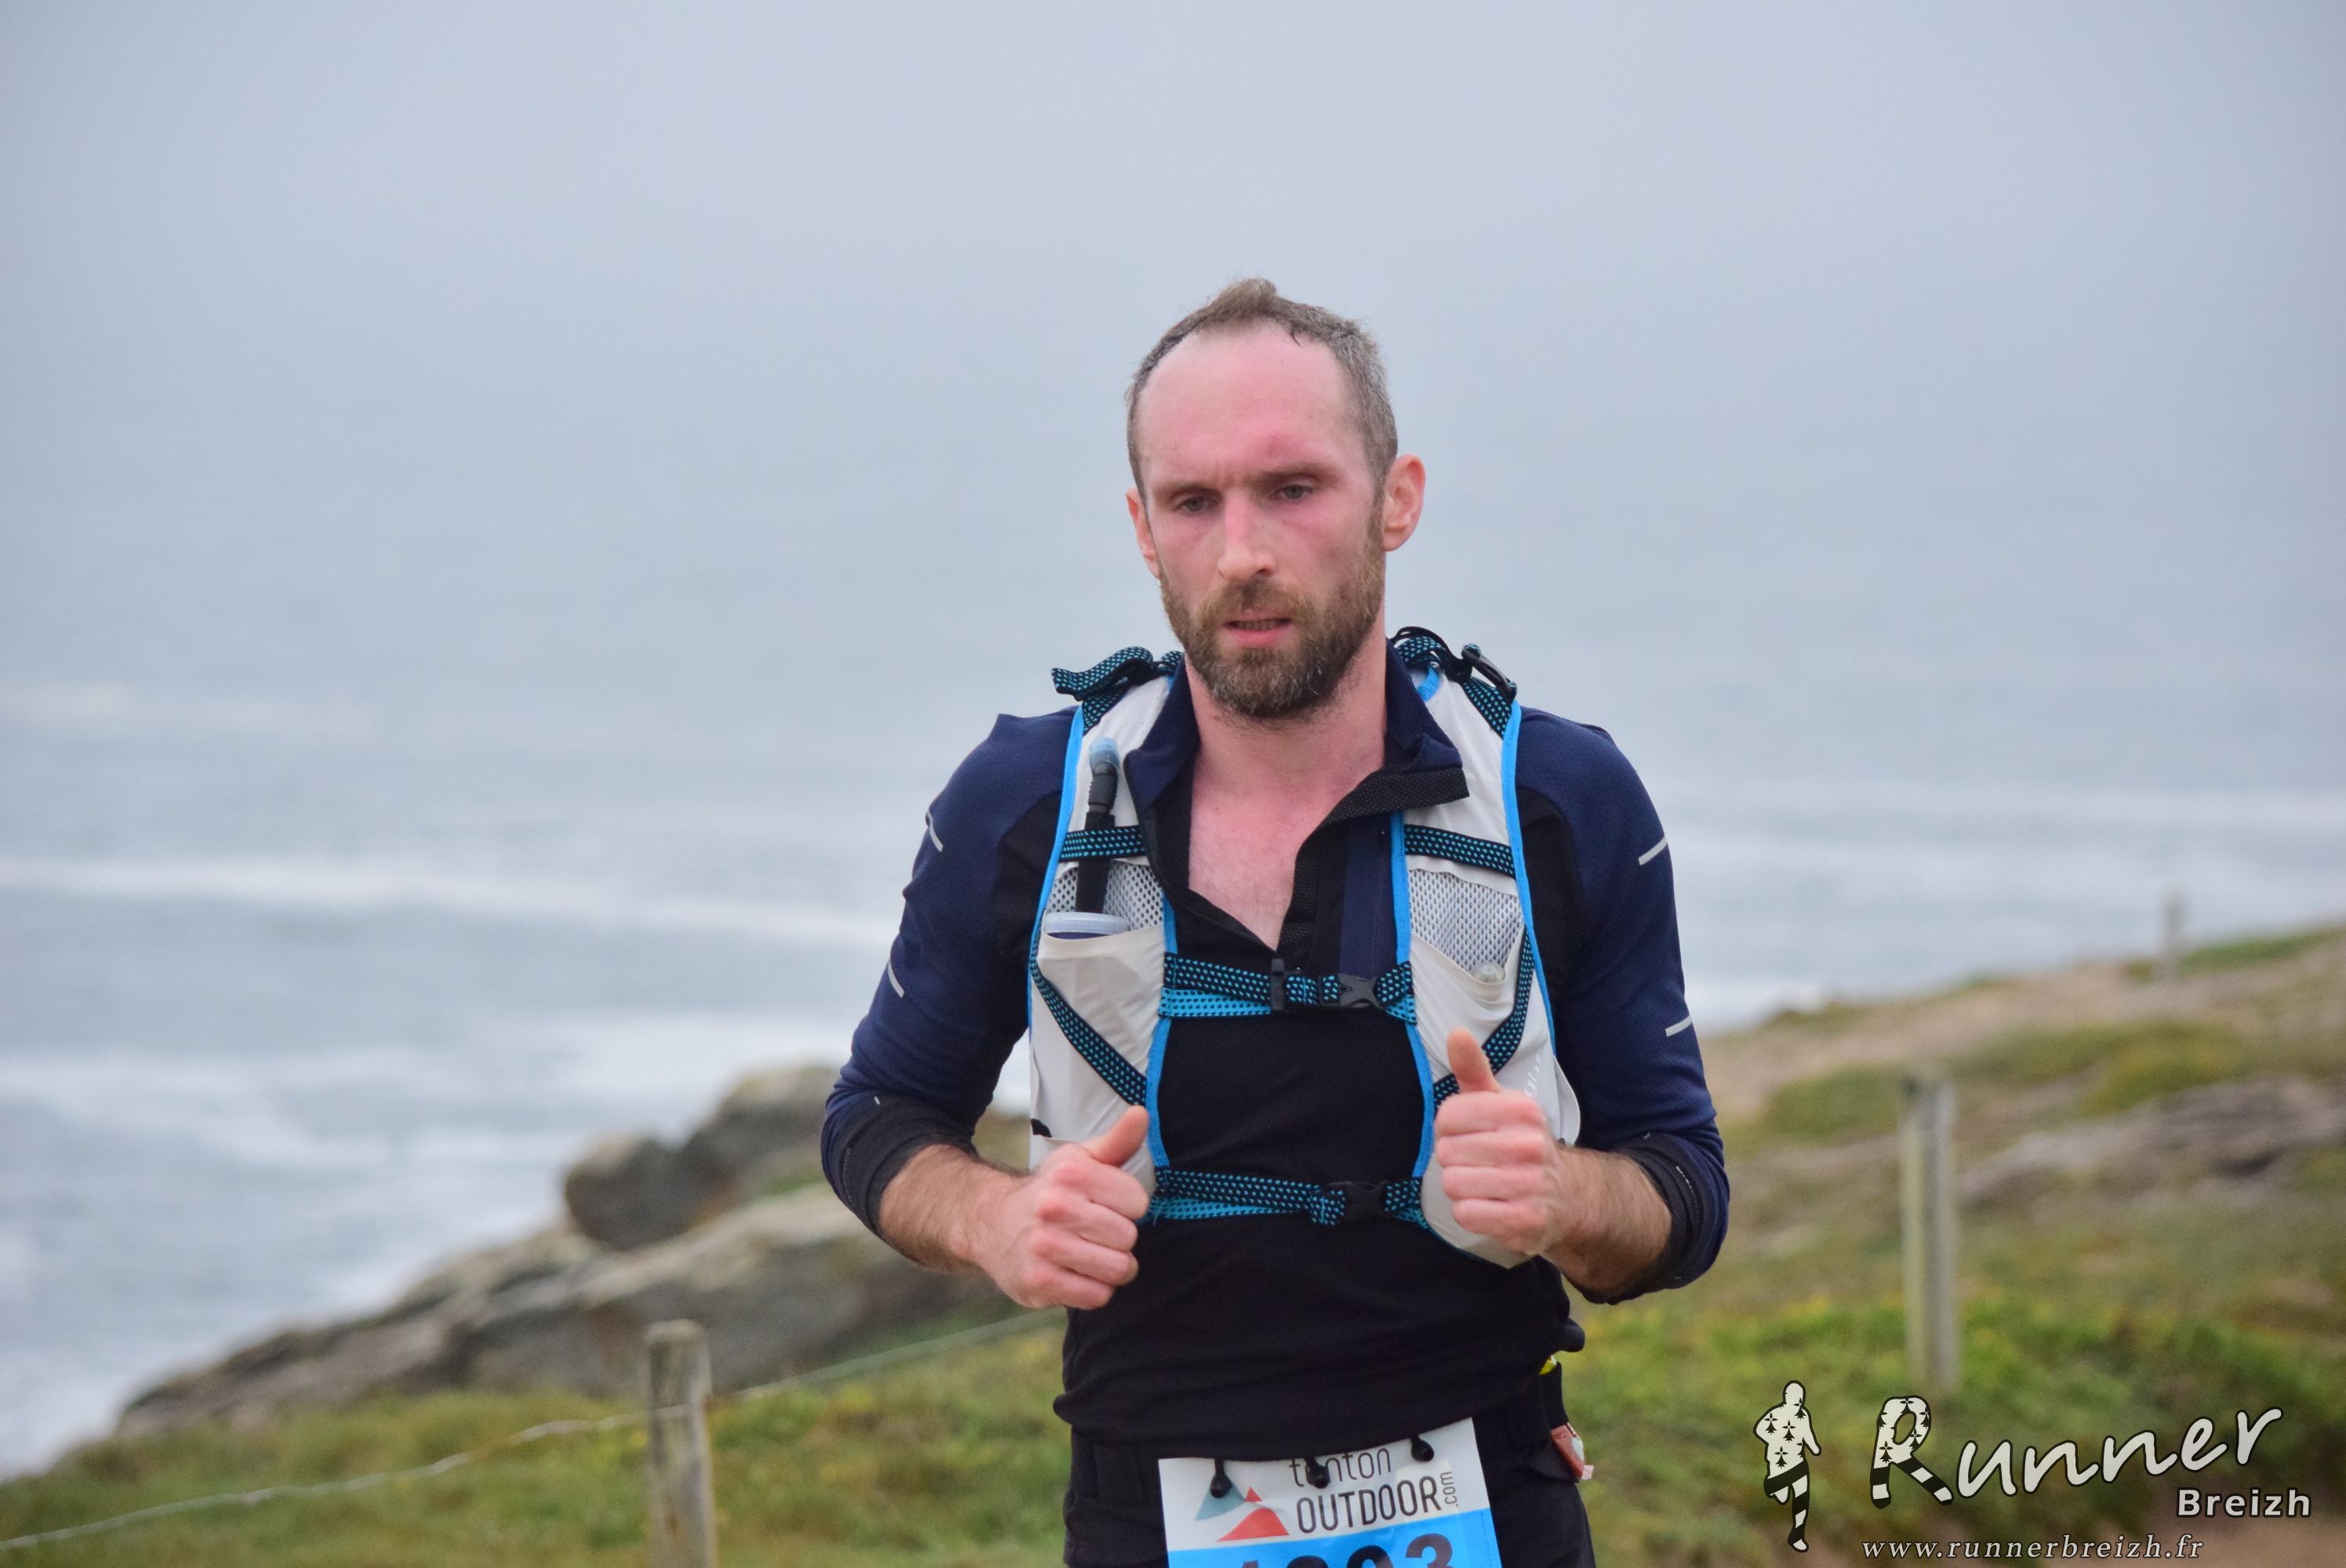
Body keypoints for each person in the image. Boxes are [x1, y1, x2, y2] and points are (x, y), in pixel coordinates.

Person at [823, 278, 1728, 1567]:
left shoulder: (1555, 797)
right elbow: (876, 1117)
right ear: (1142, 528)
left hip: (1499, 1498)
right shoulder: (1031, 801)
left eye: (1293, 489)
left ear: (1397, 499)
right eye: (1194, 502)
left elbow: (1683, 1192)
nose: (1242, 550)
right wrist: (994, 1222)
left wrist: (1566, 1195)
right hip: (1145, 1514)